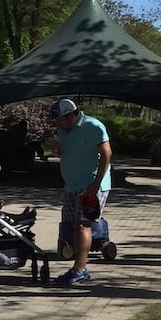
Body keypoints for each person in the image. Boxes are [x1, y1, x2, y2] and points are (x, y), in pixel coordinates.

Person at [49, 98, 112, 287]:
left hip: (90, 185)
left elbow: (107, 154)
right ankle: (80, 267)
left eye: (58, 120)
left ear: (70, 116)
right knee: (76, 225)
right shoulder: (64, 129)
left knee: (84, 225)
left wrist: (95, 184)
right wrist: (56, 151)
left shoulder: (92, 126)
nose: (56, 124)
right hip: (71, 185)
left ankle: (79, 269)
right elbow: (68, 152)